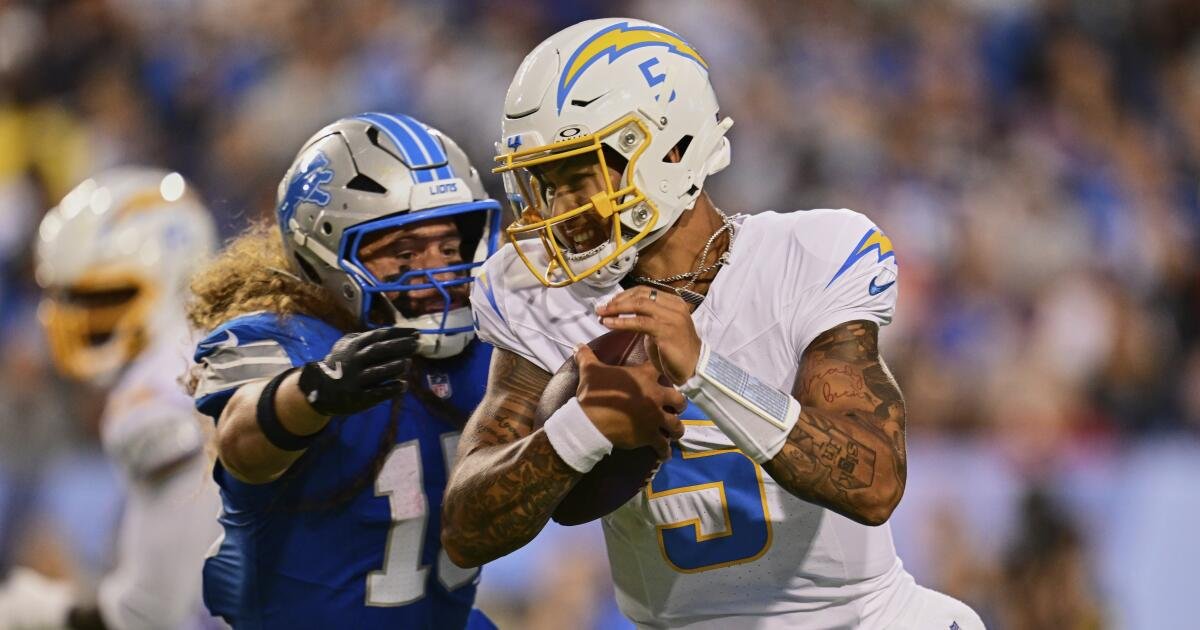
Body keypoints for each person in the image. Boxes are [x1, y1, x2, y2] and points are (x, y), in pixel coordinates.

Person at [442, 18, 985, 629]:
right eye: (544, 182)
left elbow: (874, 481)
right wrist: (580, 430)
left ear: (671, 151)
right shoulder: (534, 290)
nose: (558, 210)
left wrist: (706, 371)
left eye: (579, 174)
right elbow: (465, 531)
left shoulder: (809, 253)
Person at [186, 113, 501, 629]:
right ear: (326, 253)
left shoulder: (489, 343)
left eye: (450, 247)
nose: (440, 271)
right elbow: (242, 447)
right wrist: (313, 391)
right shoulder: (284, 339)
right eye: (404, 251)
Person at [0, 168, 223, 629]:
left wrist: (35, 612)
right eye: (67, 297)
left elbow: (151, 614)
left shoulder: (155, 399)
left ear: (181, 282)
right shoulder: (227, 353)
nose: (76, 318)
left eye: (105, 296)